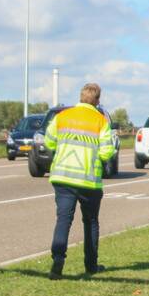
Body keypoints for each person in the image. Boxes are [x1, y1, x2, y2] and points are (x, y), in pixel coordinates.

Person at [45, 82, 115, 280]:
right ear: (98, 100)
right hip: (88, 181)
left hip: (63, 177)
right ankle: (91, 265)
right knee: (91, 222)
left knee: (64, 219)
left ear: (80, 97)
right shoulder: (100, 121)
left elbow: (49, 141)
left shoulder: (62, 116)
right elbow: (107, 151)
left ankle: (58, 259)